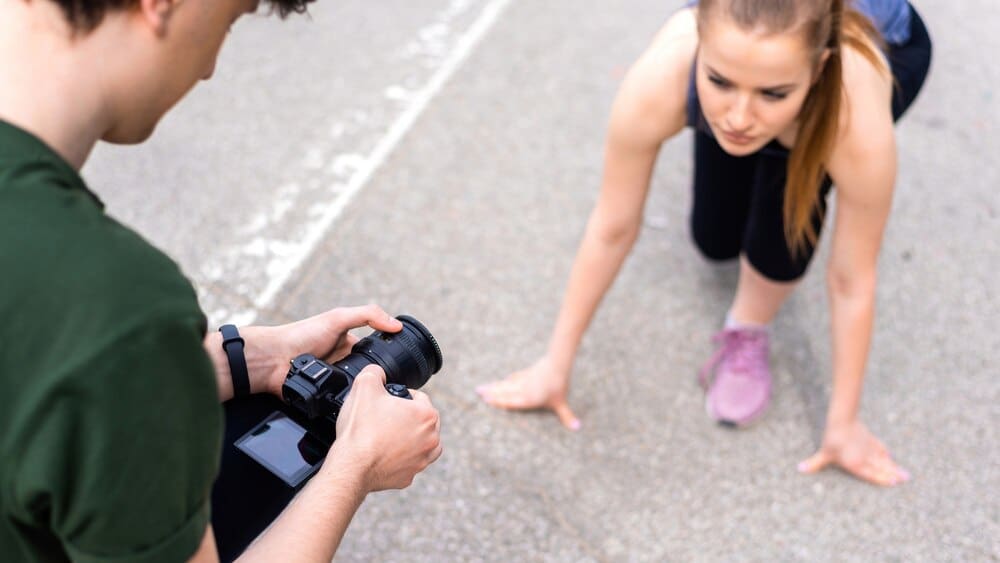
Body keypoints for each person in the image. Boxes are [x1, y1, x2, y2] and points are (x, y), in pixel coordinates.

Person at [0, 0, 442, 561]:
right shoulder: (116, 304)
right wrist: (356, 466)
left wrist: (248, 357)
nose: (210, 67)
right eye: (228, 21)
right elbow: (95, 352)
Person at [478, 0, 931, 487]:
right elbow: (612, 225)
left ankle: (749, 327)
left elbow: (851, 278)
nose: (738, 116)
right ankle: (753, 91)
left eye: (772, 93)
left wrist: (843, 424)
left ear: (818, 69)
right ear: (702, 41)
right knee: (714, 239)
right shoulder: (664, 74)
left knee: (784, 208)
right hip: (755, 58)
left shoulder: (853, 109)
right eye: (719, 83)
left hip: (883, 54)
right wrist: (554, 364)